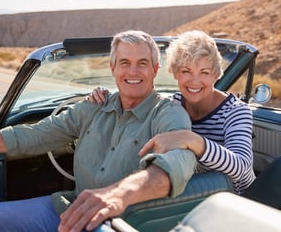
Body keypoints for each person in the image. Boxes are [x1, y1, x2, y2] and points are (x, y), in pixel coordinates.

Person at [0, 30, 196, 232]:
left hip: (125, 221)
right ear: (113, 67)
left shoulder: (168, 113)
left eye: (142, 64)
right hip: (72, 206)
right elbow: (32, 136)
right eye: (125, 63)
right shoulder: (93, 106)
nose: (133, 72)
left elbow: (173, 167)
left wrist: (116, 195)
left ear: (156, 70)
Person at [87, 30, 255, 195]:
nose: (195, 81)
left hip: (235, 199)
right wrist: (104, 96)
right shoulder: (171, 105)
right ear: (175, 73)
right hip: (189, 196)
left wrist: (193, 141)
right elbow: (140, 99)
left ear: (216, 74)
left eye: (204, 72)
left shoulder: (236, 112)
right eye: (186, 71)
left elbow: (242, 169)